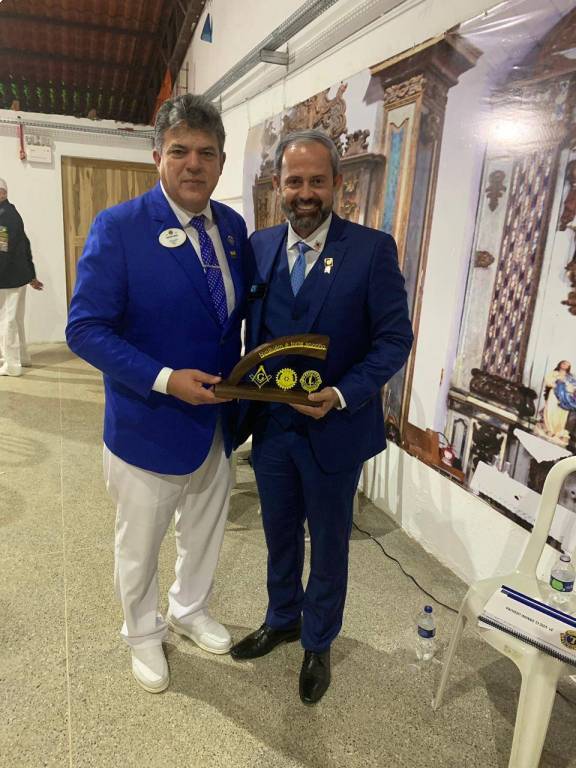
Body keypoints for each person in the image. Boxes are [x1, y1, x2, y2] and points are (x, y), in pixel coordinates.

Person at [66, 94, 251, 693]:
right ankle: (142, 632)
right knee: (140, 543)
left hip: (217, 421)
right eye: (180, 151)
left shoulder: (232, 228)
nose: (193, 164)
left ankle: (190, 608)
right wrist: (166, 379)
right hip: (147, 421)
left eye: (206, 153)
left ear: (221, 162)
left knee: (205, 528)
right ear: (157, 157)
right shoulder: (119, 228)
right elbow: (85, 329)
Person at [230, 129, 413, 704]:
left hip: (335, 427)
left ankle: (318, 640)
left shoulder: (372, 250)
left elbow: (394, 340)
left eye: (316, 181)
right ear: (278, 186)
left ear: (337, 184)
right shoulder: (259, 245)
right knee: (278, 532)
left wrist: (341, 393)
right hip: (272, 428)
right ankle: (282, 618)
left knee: (330, 543)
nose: (304, 193)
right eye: (294, 181)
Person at [0, 178, 44, 376]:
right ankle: (22, 357)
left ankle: (11, 365)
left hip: (8, 277)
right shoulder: (11, 213)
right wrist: (31, 275)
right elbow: (25, 244)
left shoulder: (4, 216)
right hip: (17, 276)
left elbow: (3, 249)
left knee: (6, 320)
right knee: (15, 319)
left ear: (3, 193)